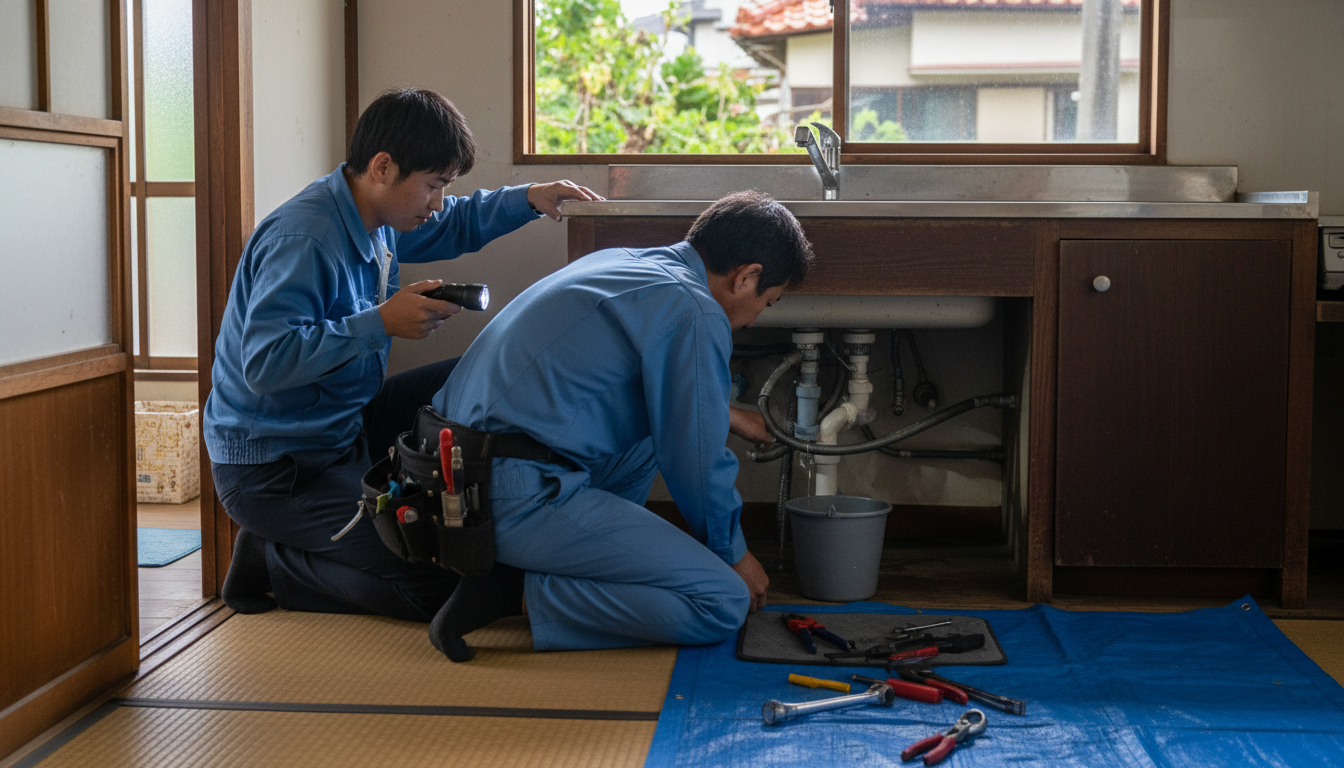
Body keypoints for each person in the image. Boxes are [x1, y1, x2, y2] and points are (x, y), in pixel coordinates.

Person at [203, 87, 602, 622]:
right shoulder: (306, 237)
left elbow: (455, 221)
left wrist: (529, 197)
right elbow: (265, 363)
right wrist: (381, 322)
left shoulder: (377, 218)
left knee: (478, 370)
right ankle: (274, 559)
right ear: (383, 167)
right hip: (279, 466)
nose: (438, 201)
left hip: (340, 426)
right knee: (439, 585)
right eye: (433, 185)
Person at [425, 190, 815, 661]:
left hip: (450, 465)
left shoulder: (624, 261)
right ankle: (514, 592)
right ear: (747, 277)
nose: (755, 319)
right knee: (721, 602)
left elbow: (637, 395)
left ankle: (576, 561)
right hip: (504, 491)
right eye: (767, 302)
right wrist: (734, 554)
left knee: (651, 436)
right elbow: (695, 459)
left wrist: (722, 413)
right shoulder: (695, 310)